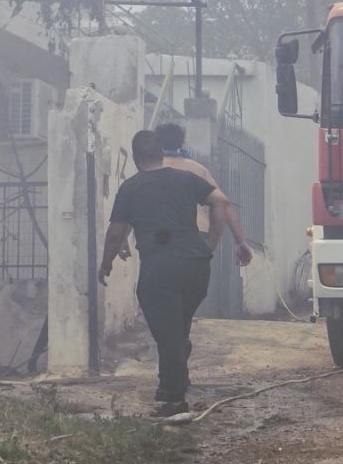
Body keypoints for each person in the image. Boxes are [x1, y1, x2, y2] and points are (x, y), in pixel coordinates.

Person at [98, 130, 252, 417]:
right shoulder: (188, 178)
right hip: (196, 264)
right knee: (177, 326)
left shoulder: (131, 188)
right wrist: (211, 245)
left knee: (167, 332)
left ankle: (174, 399)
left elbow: (116, 232)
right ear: (160, 154)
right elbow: (221, 202)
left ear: (135, 158)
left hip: (160, 266)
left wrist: (106, 263)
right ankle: (172, 378)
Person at [154, 120, 217, 248]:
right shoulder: (199, 169)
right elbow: (221, 203)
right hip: (198, 230)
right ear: (182, 143)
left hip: (163, 233)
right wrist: (213, 241)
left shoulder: (151, 169)